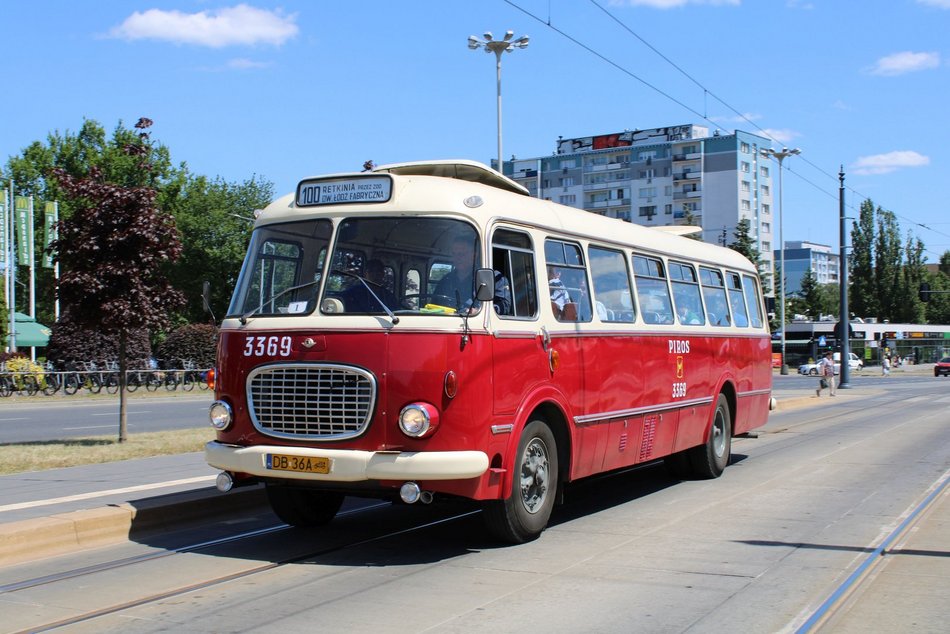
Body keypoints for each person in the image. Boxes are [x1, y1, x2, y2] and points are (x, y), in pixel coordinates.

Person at [434, 236, 511, 314]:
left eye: (462, 254)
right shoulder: (445, 281)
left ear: (474, 255)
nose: (457, 258)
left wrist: (479, 312)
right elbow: (434, 305)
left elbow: (505, 305)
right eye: (454, 254)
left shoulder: (494, 278)